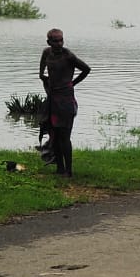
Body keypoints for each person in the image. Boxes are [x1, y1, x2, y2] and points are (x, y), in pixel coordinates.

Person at [38, 28, 91, 177]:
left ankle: (69, 171)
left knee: (64, 135)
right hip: (52, 98)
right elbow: (42, 74)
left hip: (66, 99)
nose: (59, 43)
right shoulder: (46, 53)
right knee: (53, 133)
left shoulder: (68, 56)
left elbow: (86, 69)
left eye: (61, 40)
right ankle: (59, 168)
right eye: (55, 41)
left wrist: (72, 83)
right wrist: (46, 83)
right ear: (49, 42)